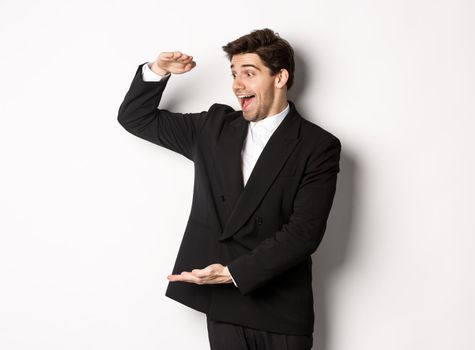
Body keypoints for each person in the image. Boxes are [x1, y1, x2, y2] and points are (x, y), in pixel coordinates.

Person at [117, 28, 341, 350]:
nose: (237, 84)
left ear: (280, 78)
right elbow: (135, 118)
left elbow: (304, 232)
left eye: (249, 73)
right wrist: (158, 70)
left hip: (282, 311)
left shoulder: (318, 145)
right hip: (225, 308)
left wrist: (232, 273)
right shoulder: (212, 127)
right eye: (234, 73)